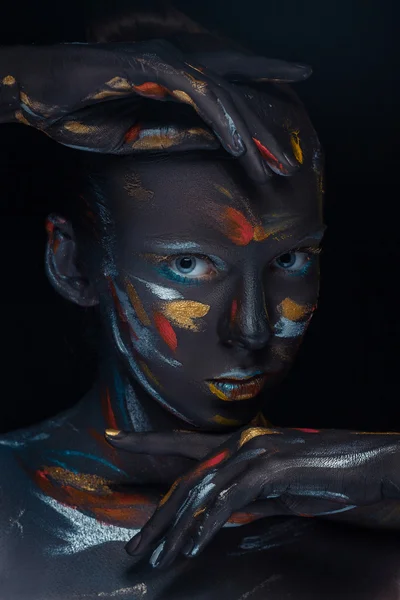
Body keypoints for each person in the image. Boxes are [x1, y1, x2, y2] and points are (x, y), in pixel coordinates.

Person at [1, 3, 400, 599]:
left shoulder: (373, 522)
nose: (255, 328)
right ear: (71, 264)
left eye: (291, 260)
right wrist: (13, 79)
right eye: (188, 265)